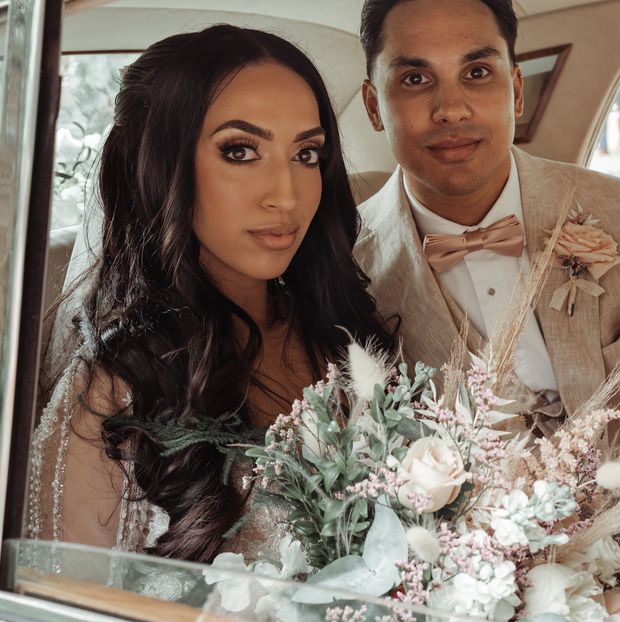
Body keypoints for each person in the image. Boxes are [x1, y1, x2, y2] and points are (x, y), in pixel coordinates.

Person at [354, 0, 620, 621]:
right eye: (415, 79)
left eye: (477, 72)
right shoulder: (340, 265)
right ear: (372, 104)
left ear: (515, 89)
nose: (452, 109)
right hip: (462, 588)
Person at [25, 25, 393, 564]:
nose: (286, 195)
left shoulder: (344, 334)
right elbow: (67, 621)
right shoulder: (112, 396)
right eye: (240, 151)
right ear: (161, 165)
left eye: (307, 154)